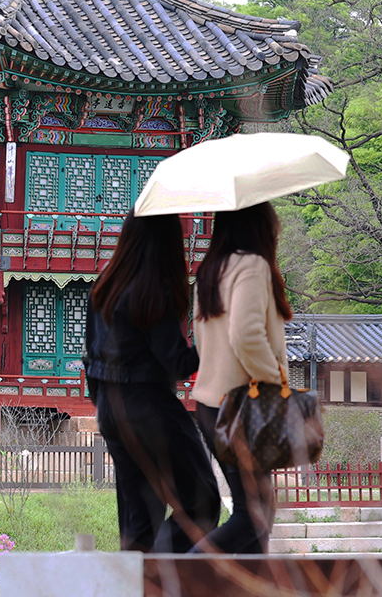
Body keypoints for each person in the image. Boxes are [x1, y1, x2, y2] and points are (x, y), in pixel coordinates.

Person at [85, 212, 220, 553]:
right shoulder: (151, 290)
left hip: (110, 409)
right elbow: (177, 363)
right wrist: (214, 336)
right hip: (150, 409)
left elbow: (91, 352)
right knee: (201, 501)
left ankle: (139, 577)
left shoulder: (104, 286)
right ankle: (156, 573)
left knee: (139, 520)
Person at [189, 202, 292, 554]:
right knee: (254, 516)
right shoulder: (252, 266)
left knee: (259, 513)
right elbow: (246, 335)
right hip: (240, 407)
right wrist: (278, 379)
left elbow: (203, 340)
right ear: (261, 224)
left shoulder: (210, 270)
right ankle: (174, 577)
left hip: (211, 404)